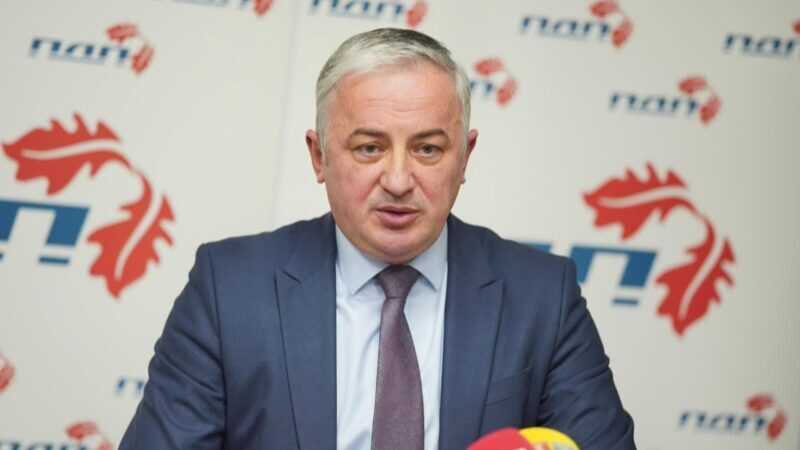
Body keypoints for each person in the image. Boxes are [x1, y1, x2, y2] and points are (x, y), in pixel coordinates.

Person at [119, 28, 636, 450]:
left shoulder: (542, 297)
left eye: (428, 149)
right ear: (319, 156)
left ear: (465, 157)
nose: (398, 180)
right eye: (369, 148)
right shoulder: (229, 289)